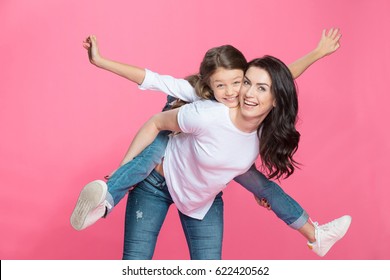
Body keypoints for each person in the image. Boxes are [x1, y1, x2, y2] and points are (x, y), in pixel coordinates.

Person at [71, 29, 351, 258]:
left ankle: (316, 235)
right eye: (222, 86)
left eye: (241, 83)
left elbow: (280, 78)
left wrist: (317, 53)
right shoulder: (204, 105)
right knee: (152, 153)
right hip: (163, 172)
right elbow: (153, 83)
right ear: (210, 84)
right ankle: (106, 198)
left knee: (263, 186)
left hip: (205, 189)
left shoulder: (257, 106)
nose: (235, 93)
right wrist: (101, 61)